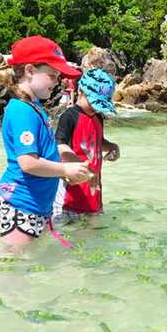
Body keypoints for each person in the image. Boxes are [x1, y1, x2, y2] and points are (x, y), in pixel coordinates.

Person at [0, 36, 91, 247]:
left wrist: (66, 165)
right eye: (52, 76)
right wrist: (65, 171)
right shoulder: (22, 111)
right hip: (21, 203)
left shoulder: (34, 105)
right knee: (13, 265)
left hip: (36, 203)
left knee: (31, 263)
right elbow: (28, 163)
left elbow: (45, 150)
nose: (57, 82)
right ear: (29, 71)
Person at [53, 68, 120, 220]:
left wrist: (112, 147)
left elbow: (98, 141)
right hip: (70, 194)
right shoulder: (69, 116)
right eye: (93, 102)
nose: (96, 108)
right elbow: (60, 146)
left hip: (93, 192)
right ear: (81, 91)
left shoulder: (98, 117)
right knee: (67, 236)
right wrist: (84, 168)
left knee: (94, 237)